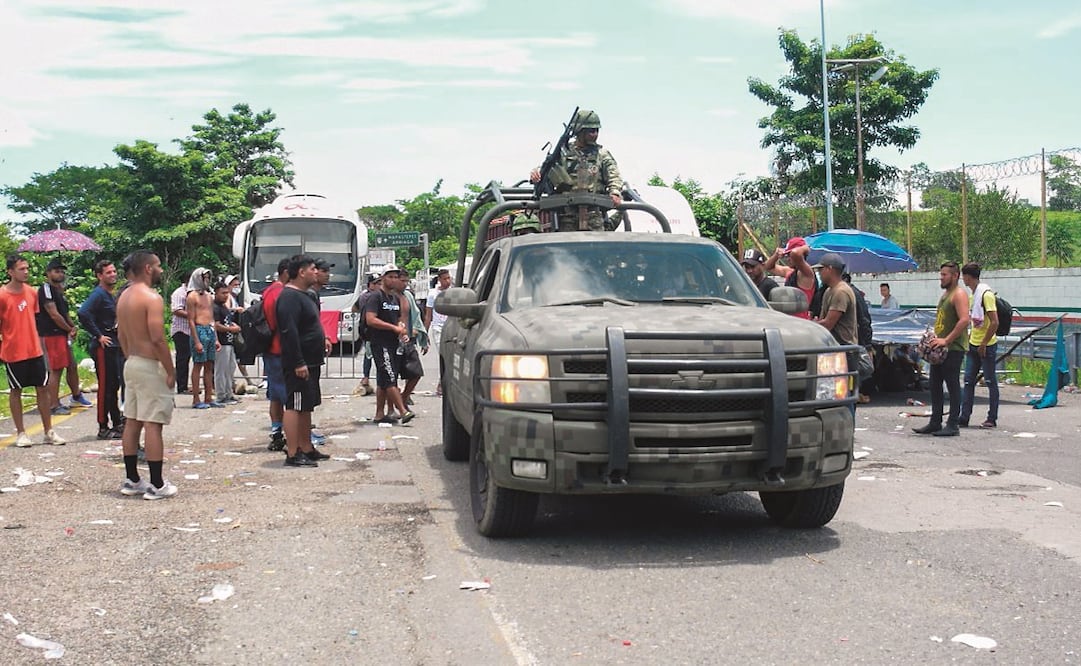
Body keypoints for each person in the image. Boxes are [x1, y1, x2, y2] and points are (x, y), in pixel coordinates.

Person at [114, 250, 177, 499]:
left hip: (131, 362)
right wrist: (170, 370)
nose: (160, 270)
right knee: (153, 423)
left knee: (132, 420)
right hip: (150, 364)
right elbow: (158, 338)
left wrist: (132, 355)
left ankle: (132, 479)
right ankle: (157, 484)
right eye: (158, 266)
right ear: (148, 268)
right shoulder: (152, 298)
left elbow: (121, 336)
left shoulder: (124, 296)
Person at [0, 254, 65, 447]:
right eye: (21, 269)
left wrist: (40, 345)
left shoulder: (31, 293)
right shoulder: (2, 295)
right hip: (13, 350)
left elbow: (33, 319)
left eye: (27, 268)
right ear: (10, 272)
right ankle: (21, 432)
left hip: (34, 349)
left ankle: (49, 431)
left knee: (43, 389)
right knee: (16, 390)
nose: (26, 272)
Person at [275, 255, 331, 467]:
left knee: (306, 405)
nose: (316, 273)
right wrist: (298, 362)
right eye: (313, 269)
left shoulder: (306, 296)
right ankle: (292, 452)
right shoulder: (289, 297)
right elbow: (289, 333)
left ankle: (307, 447)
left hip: (312, 361)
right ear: (301, 272)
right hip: (299, 363)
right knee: (295, 405)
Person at [528, 109, 623, 232]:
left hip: (594, 215)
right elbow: (547, 169)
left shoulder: (602, 155)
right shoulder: (563, 152)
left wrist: (615, 192)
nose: (595, 134)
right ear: (579, 131)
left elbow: (614, 176)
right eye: (591, 131)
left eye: (596, 130)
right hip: (566, 216)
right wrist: (536, 173)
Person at [913, 262, 971, 437]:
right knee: (935, 384)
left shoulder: (959, 294)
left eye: (945, 275)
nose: (941, 277)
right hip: (939, 349)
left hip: (953, 348)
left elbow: (964, 320)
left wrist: (947, 340)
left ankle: (953, 423)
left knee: (952, 385)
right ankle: (935, 421)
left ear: (955, 276)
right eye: (941, 274)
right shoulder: (946, 294)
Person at [36, 258, 92, 414]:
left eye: (62, 271)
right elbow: (54, 315)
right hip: (50, 334)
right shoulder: (46, 290)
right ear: (48, 273)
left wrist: (72, 327)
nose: (60, 274)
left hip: (61, 334)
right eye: (56, 271)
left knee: (72, 365)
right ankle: (53, 404)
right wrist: (68, 329)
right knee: (56, 369)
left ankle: (76, 395)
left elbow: (64, 313)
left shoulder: (60, 291)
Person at [78, 259, 124, 440]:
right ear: (99, 276)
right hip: (103, 347)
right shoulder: (98, 294)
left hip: (114, 345)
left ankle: (116, 422)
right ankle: (103, 426)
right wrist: (98, 335)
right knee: (105, 387)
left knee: (114, 385)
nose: (113, 275)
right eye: (108, 273)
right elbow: (83, 313)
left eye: (114, 271)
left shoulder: (110, 294)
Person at [363, 264, 413, 424]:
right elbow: (370, 319)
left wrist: (401, 329)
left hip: (393, 343)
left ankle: (379, 414)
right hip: (380, 343)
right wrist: (393, 328)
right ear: (383, 278)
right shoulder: (376, 297)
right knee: (390, 376)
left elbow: (399, 318)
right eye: (390, 276)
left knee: (384, 380)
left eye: (396, 277)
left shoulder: (395, 298)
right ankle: (403, 410)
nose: (393, 280)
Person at [812, 254, 859, 413]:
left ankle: (849, 428)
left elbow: (828, 323)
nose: (819, 273)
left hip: (845, 351)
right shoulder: (829, 292)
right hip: (833, 350)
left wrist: (812, 325)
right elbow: (823, 319)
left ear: (830, 269)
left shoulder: (841, 292)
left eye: (821, 269)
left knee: (845, 395)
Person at [959, 262, 999, 429]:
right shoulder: (973, 296)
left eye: (964, 276)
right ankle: (964, 416)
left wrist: (983, 343)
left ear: (968, 277)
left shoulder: (985, 295)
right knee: (968, 381)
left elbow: (994, 322)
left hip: (986, 345)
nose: (963, 280)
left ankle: (992, 417)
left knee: (990, 381)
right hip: (973, 343)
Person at [262, 258, 291, 450]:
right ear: (287, 272)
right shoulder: (282, 293)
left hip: (271, 349)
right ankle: (293, 436)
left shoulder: (269, 291)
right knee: (288, 397)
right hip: (280, 350)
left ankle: (276, 431)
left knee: (275, 395)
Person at [185, 268, 220, 409]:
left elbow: (212, 318)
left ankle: (208, 397)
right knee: (198, 365)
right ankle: (196, 399)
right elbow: (191, 320)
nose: (207, 280)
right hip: (199, 330)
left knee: (209, 365)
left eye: (208, 278)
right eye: (204, 278)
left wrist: (216, 338)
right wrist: (197, 340)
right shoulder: (192, 296)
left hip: (209, 329)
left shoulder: (209, 296)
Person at [763, 237, 817, 319]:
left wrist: (806, 248)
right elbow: (768, 267)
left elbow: (796, 253)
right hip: (788, 318)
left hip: (801, 320)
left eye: (789, 255)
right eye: (787, 255)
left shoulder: (807, 274)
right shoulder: (789, 272)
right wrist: (776, 255)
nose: (788, 258)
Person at [398, 269, 429, 408]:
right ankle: (392, 408)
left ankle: (403, 398)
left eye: (406, 281)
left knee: (415, 373)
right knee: (389, 379)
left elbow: (415, 316)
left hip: (408, 340)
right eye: (402, 281)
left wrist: (422, 336)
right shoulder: (386, 296)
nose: (405, 284)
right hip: (390, 341)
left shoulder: (408, 296)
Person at [424, 268, 452, 396]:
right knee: (444, 356)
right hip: (438, 329)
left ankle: (445, 383)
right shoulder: (433, 294)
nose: (448, 281)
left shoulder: (453, 293)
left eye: (449, 278)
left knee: (452, 357)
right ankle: (442, 383)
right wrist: (425, 334)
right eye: (445, 278)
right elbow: (428, 315)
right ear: (439, 280)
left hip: (452, 328)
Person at [212, 282, 240, 405]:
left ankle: (229, 394)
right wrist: (230, 329)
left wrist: (233, 326)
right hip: (221, 343)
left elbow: (227, 321)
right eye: (222, 293)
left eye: (227, 293)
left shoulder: (224, 307)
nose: (225, 296)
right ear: (216, 293)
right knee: (221, 370)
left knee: (230, 369)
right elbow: (216, 325)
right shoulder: (215, 308)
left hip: (229, 342)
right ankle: (221, 395)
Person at [354, 274, 380, 397]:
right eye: (375, 283)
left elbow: (355, 308)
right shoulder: (374, 297)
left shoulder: (363, 296)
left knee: (368, 355)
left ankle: (366, 378)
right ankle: (371, 380)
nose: (378, 286)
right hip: (372, 331)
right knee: (375, 356)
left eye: (379, 283)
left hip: (366, 331)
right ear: (370, 285)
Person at [170, 270, 192, 395]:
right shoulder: (180, 293)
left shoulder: (194, 293)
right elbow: (177, 310)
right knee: (182, 358)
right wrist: (193, 315)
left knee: (188, 357)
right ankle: (181, 386)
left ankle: (184, 384)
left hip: (190, 330)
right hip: (181, 330)